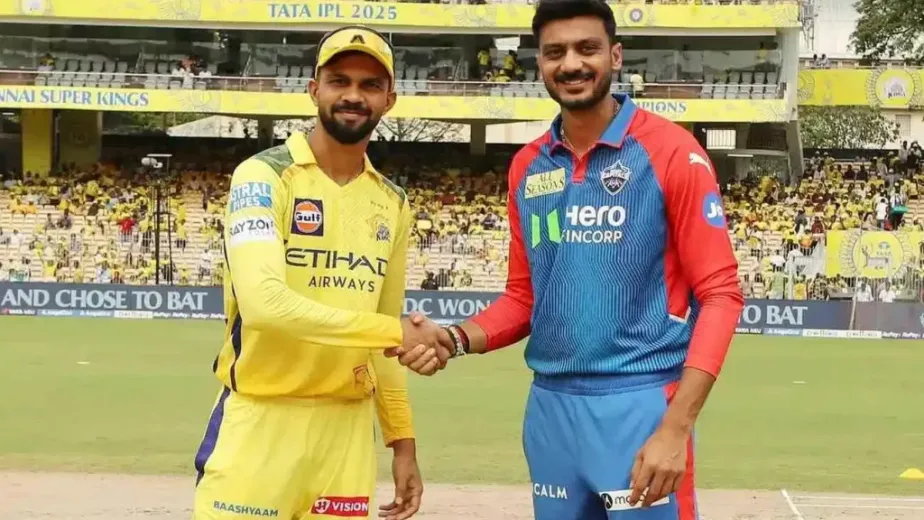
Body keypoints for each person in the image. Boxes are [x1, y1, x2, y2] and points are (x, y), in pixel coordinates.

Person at [391, 1, 743, 518]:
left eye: (587, 49)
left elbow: (721, 295)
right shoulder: (527, 166)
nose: (572, 64)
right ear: (540, 64)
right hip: (551, 412)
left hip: (640, 405)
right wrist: (454, 338)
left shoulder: (672, 151)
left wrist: (675, 427)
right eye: (555, 52)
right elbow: (523, 298)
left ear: (615, 56)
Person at [192, 25, 444, 520]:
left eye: (370, 85)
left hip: (346, 437)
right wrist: (396, 331)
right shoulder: (263, 176)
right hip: (260, 422)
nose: (353, 95)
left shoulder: (392, 202)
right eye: (339, 81)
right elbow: (265, 306)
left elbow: (384, 337)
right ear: (314, 90)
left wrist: (402, 441)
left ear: (389, 100)